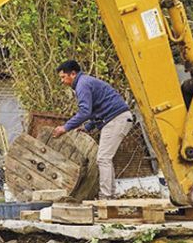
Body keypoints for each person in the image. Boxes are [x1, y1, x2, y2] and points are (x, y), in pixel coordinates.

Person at [52, 60, 133, 199]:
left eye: (63, 77)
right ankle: (110, 195)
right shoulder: (85, 82)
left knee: (103, 158)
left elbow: (85, 112)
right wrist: (87, 127)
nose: (62, 81)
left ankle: (106, 196)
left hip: (116, 119)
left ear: (73, 73)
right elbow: (98, 109)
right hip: (116, 118)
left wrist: (65, 127)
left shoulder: (82, 85)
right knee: (105, 158)